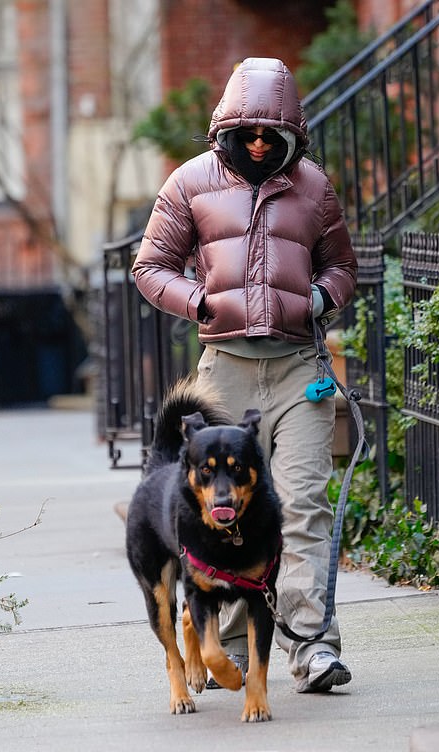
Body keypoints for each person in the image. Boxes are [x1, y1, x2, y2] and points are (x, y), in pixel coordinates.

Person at [132, 57, 357, 694]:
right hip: (223, 374)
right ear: (225, 131)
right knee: (216, 513)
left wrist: (317, 299)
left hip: (298, 370)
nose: (259, 146)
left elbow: (342, 267)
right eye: (246, 135)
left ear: (293, 135)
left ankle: (313, 647)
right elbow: (151, 267)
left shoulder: (313, 187)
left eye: (273, 136)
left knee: (302, 507)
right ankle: (224, 643)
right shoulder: (189, 183)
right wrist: (200, 301)